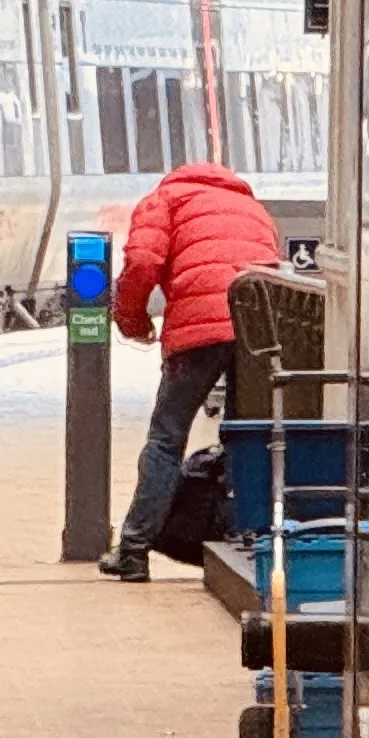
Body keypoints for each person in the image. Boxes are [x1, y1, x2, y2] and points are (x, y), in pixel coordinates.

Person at [102, 157, 282, 582]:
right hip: (258, 330)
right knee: (246, 435)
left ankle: (133, 551)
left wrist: (132, 320)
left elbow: (143, 263)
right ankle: (245, 536)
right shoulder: (253, 208)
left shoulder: (164, 200)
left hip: (197, 334)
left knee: (166, 438)